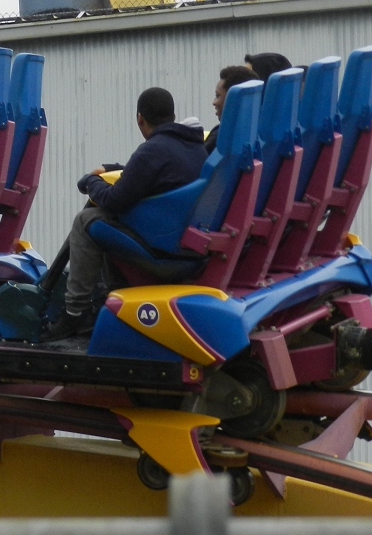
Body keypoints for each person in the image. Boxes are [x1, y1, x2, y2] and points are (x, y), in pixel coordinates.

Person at [42, 87, 208, 340]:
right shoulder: (192, 146)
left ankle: (75, 313)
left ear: (139, 118)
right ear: (172, 115)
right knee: (111, 225)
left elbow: (112, 201)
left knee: (87, 221)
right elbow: (146, 173)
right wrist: (112, 169)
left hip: (164, 251)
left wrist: (90, 181)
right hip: (186, 244)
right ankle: (110, 300)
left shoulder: (153, 150)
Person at [206, 65, 257, 154]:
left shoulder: (221, 138)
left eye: (218, 96)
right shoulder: (255, 133)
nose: (214, 102)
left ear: (233, 99)